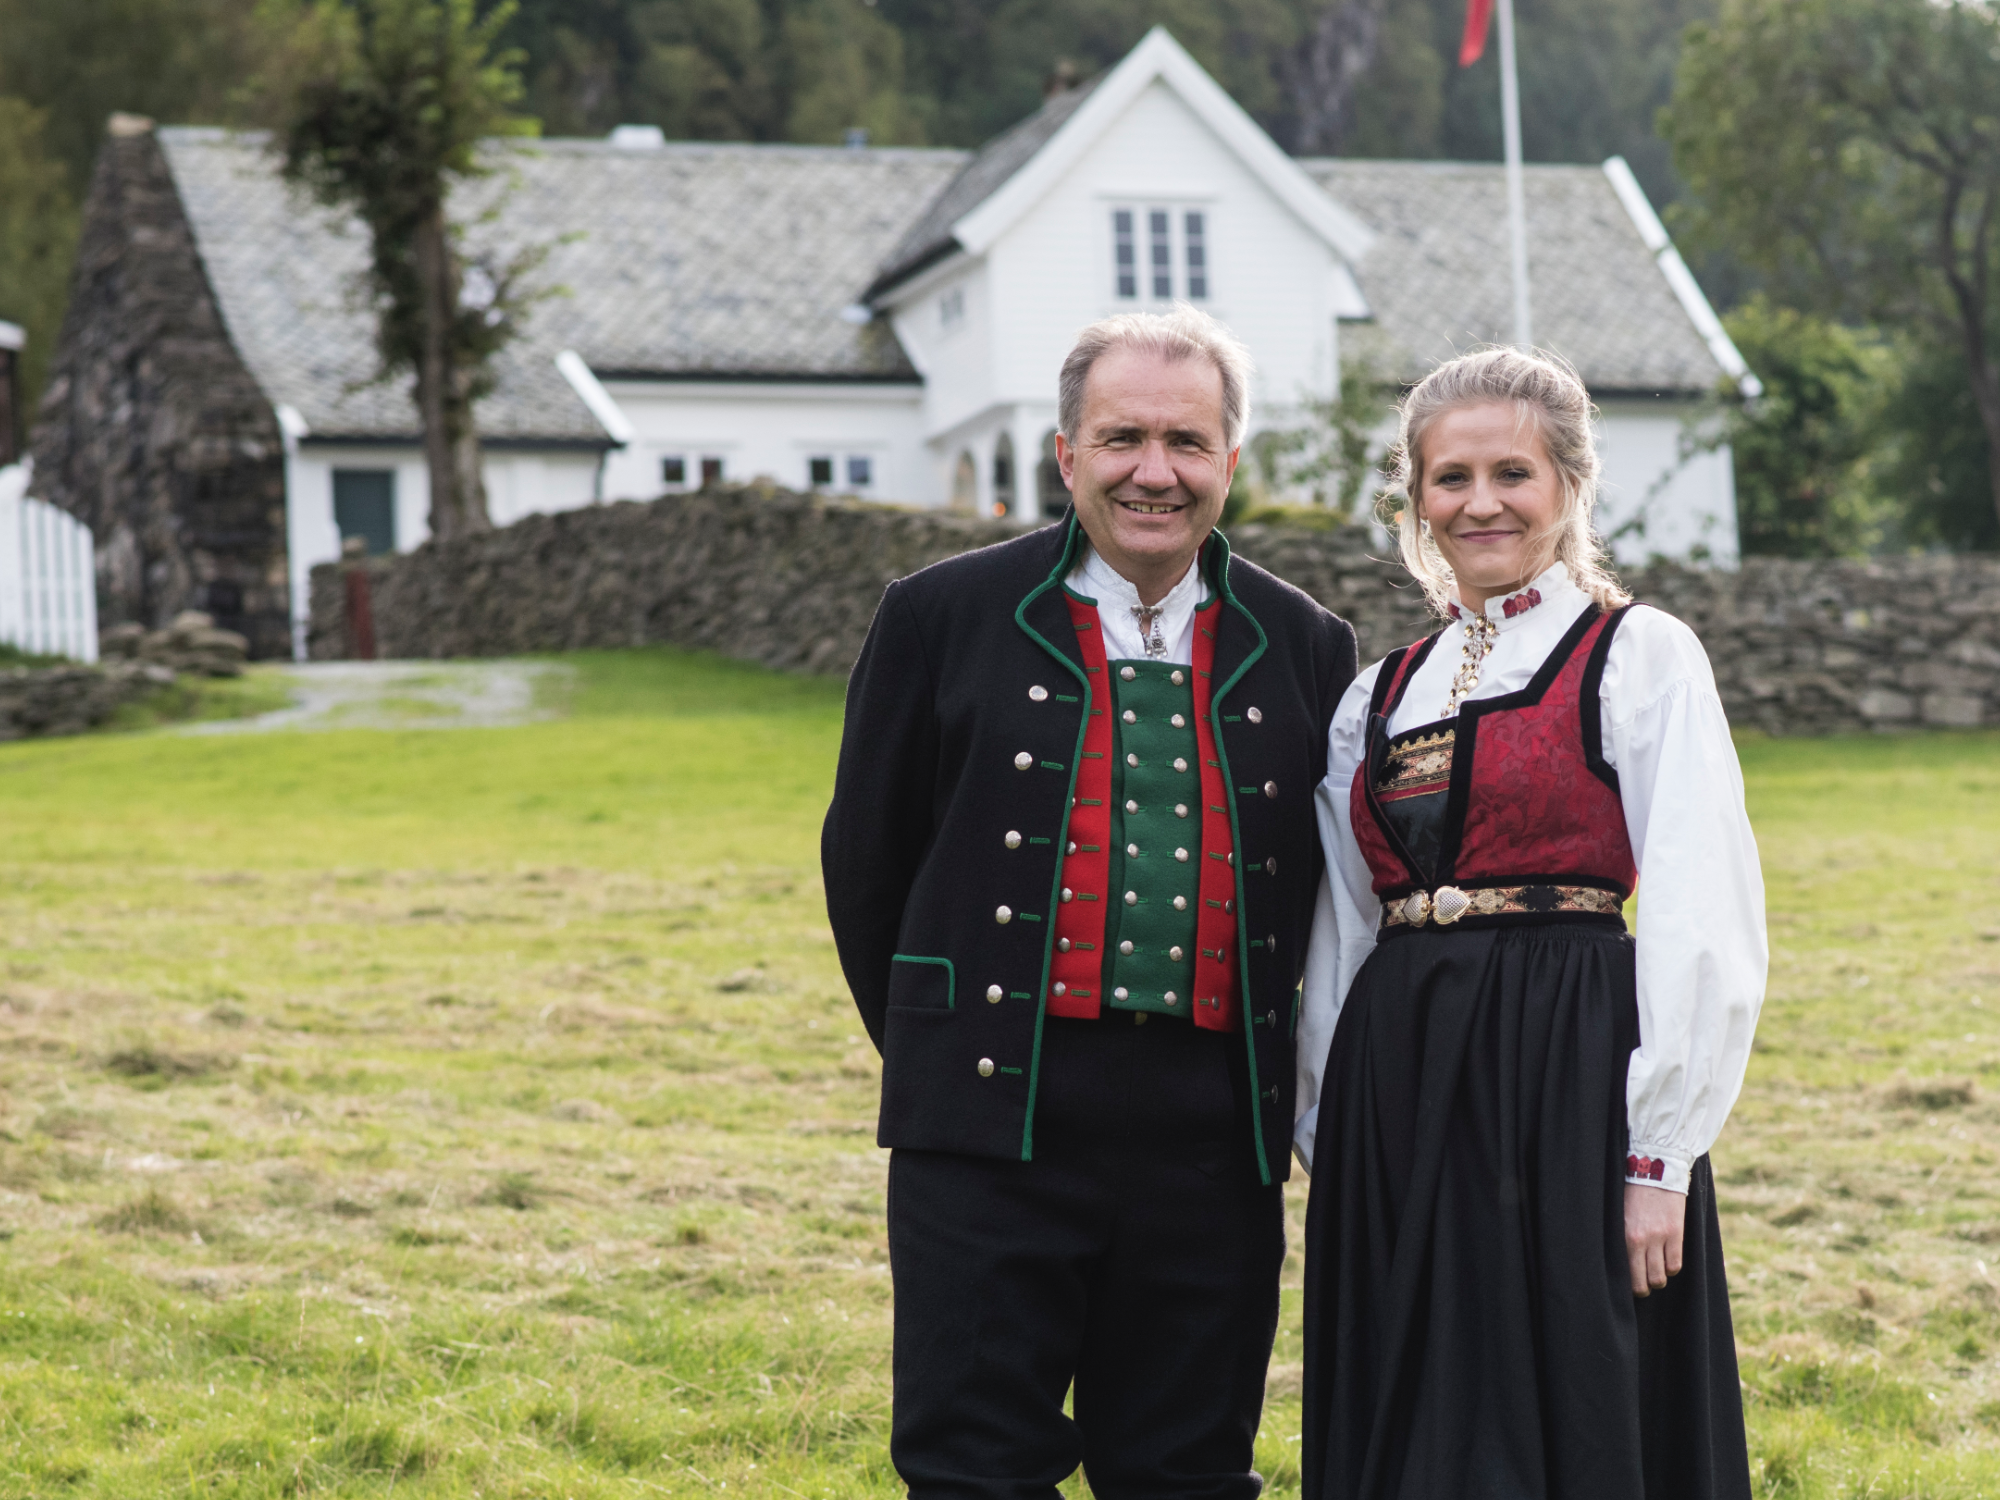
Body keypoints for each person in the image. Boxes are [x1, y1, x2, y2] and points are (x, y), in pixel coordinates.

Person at [823, 305, 1356, 1499]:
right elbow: (867, 864)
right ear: (1065, 456)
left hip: (1215, 1135)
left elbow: (1327, 893)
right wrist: (949, 1044)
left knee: (1185, 1470)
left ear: (1230, 461)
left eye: (1185, 441)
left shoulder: (1305, 643)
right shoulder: (938, 616)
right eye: (1120, 439)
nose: (1152, 472)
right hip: (992, 1118)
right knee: (972, 1466)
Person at [1293, 346, 1765, 1500]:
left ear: (1567, 484)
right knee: (1412, 1389)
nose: (1479, 501)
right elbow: (1343, 922)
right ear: (1415, 498)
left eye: (1511, 470)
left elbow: (1700, 899)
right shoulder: (1379, 687)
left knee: (1566, 1372)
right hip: (1398, 1073)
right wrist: (1326, 1120)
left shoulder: (1635, 653)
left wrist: (1657, 1152)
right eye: (1448, 477)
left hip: (1563, 1068)